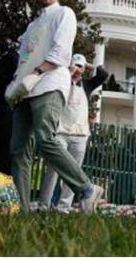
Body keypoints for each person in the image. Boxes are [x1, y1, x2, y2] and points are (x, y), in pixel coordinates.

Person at [7, 0, 103, 213]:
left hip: (49, 82)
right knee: (19, 150)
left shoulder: (64, 13)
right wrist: (16, 84)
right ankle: (23, 210)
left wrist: (37, 73)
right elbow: (23, 59)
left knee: (45, 138)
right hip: (25, 89)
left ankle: (87, 189)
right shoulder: (31, 27)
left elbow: (61, 52)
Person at [37, 53, 109, 213]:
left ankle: (64, 207)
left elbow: (103, 74)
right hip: (60, 132)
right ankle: (43, 205)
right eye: (75, 66)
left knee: (74, 172)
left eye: (80, 67)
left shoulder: (87, 85)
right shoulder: (61, 81)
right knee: (53, 170)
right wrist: (68, 72)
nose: (77, 70)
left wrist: (88, 65)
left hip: (80, 135)